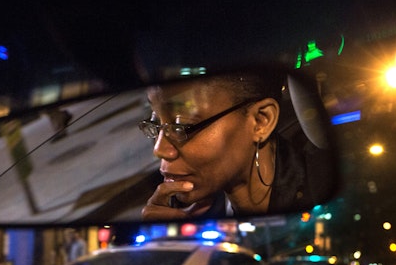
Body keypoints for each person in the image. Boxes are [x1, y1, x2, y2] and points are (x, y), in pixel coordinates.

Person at [140, 71, 332, 221]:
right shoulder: (195, 214)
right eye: (155, 122)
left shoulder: (321, 190)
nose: (159, 149)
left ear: (260, 121)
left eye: (183, 125)